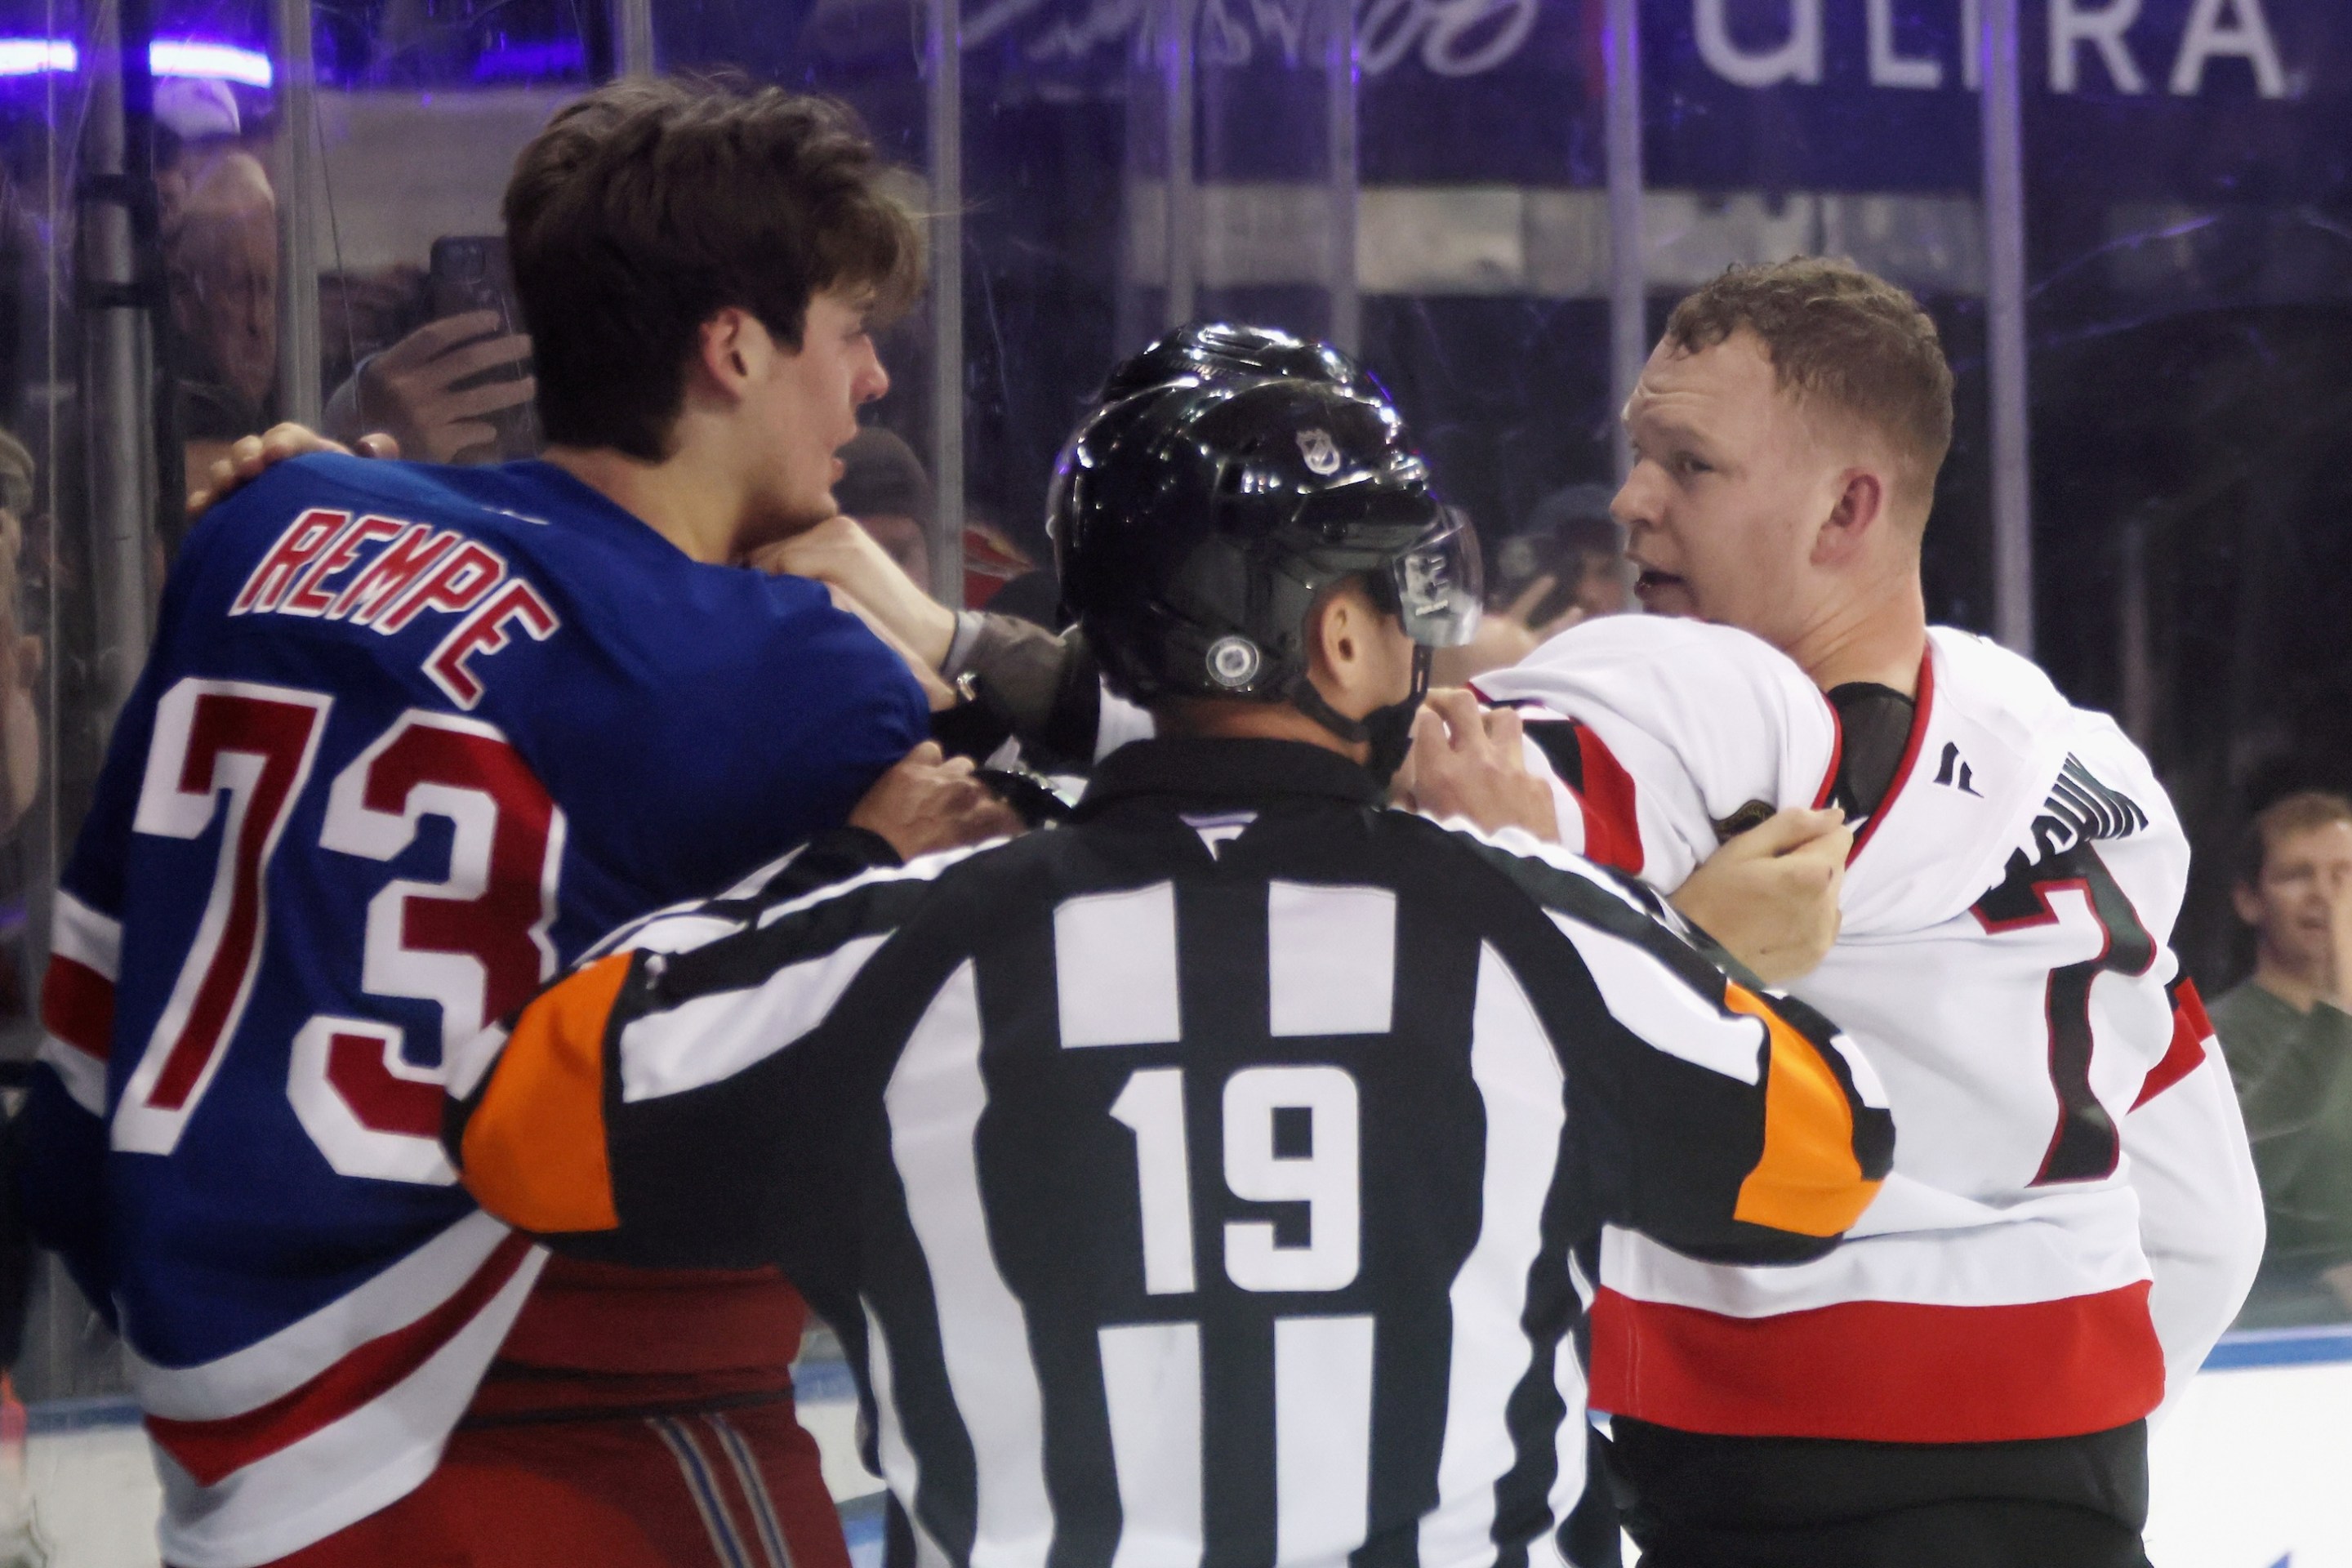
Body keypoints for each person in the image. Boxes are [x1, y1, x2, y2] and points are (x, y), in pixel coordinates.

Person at [443, 342, 1894, 1568]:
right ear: (1338, 637)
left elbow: (525, 1136)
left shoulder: (899, 948)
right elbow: (1824, 1163)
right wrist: (1592, 892)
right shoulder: (1539, 932)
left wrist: (859, 861)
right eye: (1400, 599)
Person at [15, 77, 1019, 1568]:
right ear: (735, 347)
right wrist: (921, 637)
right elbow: (1162, 814)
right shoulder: (786, 669)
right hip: (553, 1438)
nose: (871, 383)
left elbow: (95, 1023)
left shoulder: (264, 525)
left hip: (221, 1454)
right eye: (851, 332)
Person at [1473, 256, 2261, 1566]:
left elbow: (1402, 826)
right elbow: (2210, 1220)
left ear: (1848, 505)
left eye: (1690, 465)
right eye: (1639, 454)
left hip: (1760, 1476)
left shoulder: (1686, 718)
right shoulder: (2089, 766)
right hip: (2068, 1484)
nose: (1631, 502)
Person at [2212, 791, 2352, 1325]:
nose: (2327, 896)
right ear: (2250, 900)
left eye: (2344, 875)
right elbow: (2247, 1175)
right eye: (2299, 875)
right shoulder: (2215, 1037)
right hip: (2280, 1340)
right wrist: (2338, 1004)